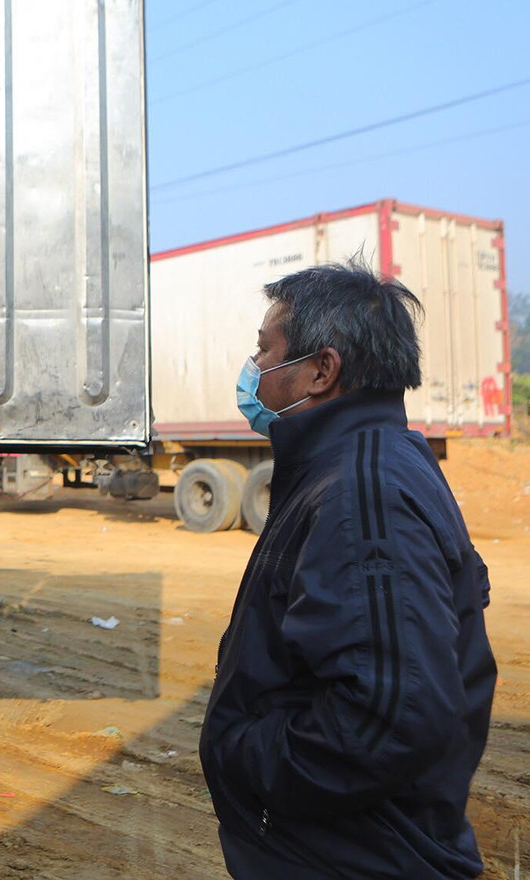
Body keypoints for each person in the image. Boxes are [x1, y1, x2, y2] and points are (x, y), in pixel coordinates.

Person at [199, 262, 497, 879]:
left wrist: (244, 754)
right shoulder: (367, 462)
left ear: (321, 370)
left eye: (265, 350)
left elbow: (391, 718)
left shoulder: (364, 494)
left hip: (355, 855)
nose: (254, 369)